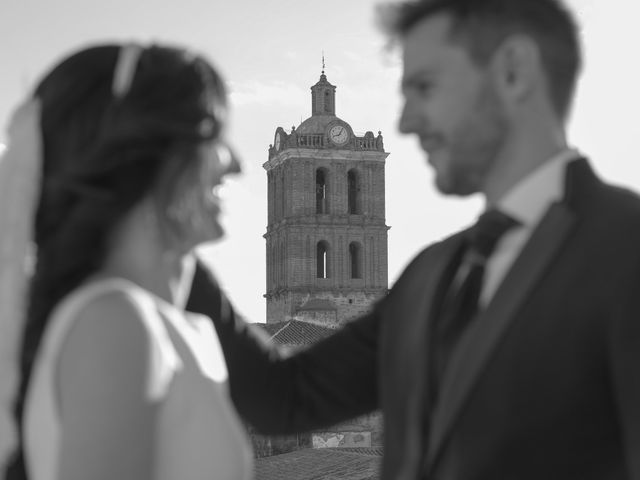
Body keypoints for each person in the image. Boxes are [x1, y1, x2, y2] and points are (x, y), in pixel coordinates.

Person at [187, 0, 640, 479]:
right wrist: (164, 239)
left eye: (425, 87)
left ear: (513, 71)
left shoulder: (626, 250)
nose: (405, 121)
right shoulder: (434, 273)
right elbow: (286, 398)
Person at [2, 43, 252, 480]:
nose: (236, 164)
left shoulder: (134, 318)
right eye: (212, 135)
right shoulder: (114, 322)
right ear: (152, 158)